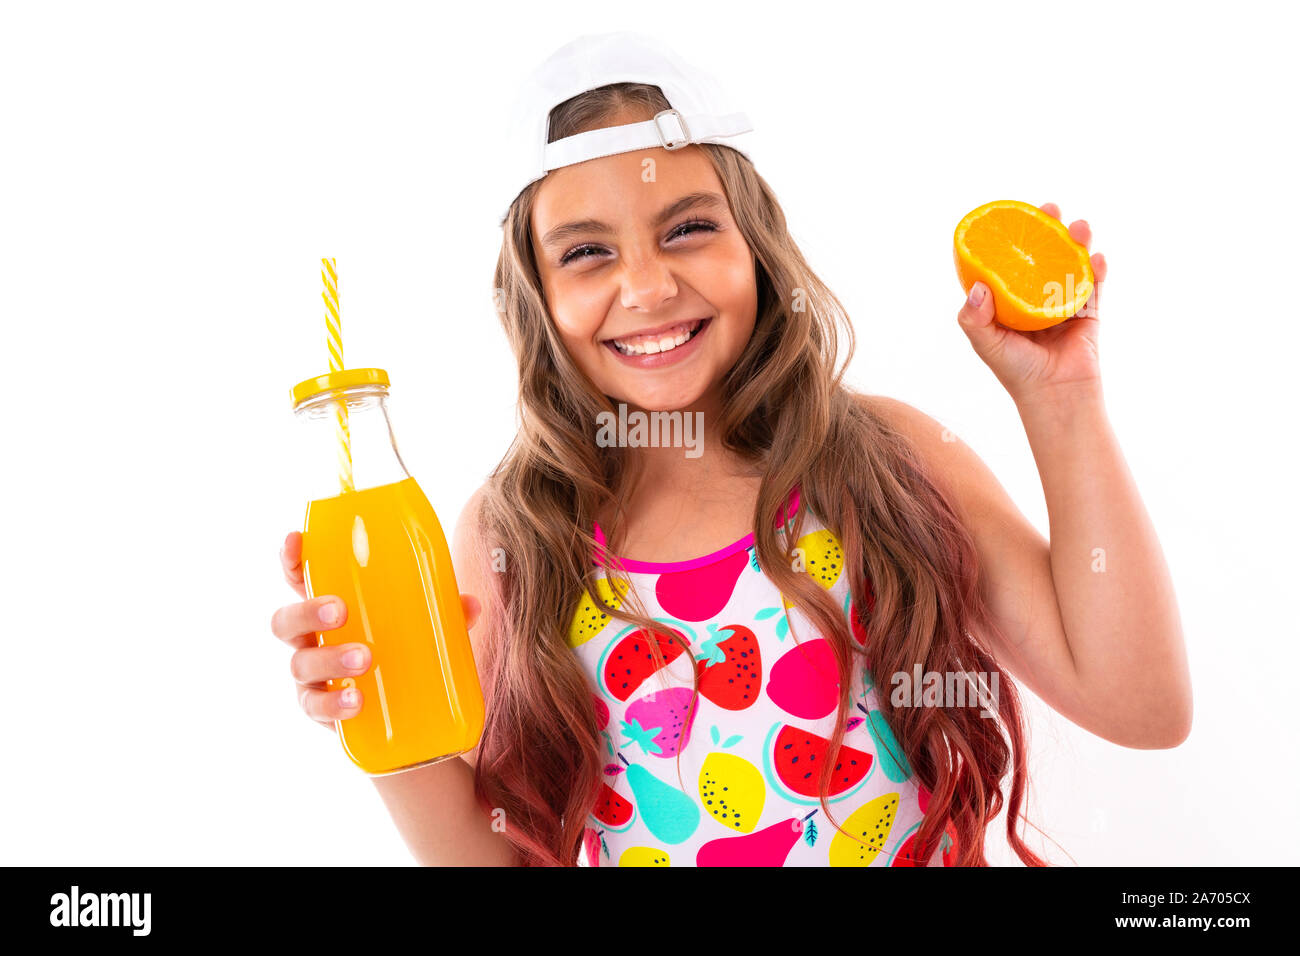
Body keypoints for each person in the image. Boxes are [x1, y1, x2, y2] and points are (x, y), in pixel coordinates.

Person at [271, 31, 1192, 867]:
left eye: (688, 228)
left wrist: (1062, 402)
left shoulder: (885, 459)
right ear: (537, 299)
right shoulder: (519, 531)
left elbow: (1141, 705)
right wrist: (380, 724)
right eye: (586, 253)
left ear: (756, 244)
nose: (646, 285)